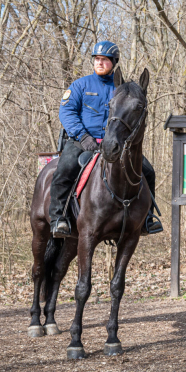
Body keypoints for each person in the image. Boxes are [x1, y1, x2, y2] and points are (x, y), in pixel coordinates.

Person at [49, 40, 162, 238]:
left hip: (116, 145)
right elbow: (66, 112)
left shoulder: (121, 89)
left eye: (104, 60)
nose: (99, 63)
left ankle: (147, 219)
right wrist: (83, 136)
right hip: (82, 141)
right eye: (97, 59)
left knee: (148, 171)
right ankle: (58, 219)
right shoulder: (80, 85)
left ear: (114, 62)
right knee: (64, 170)